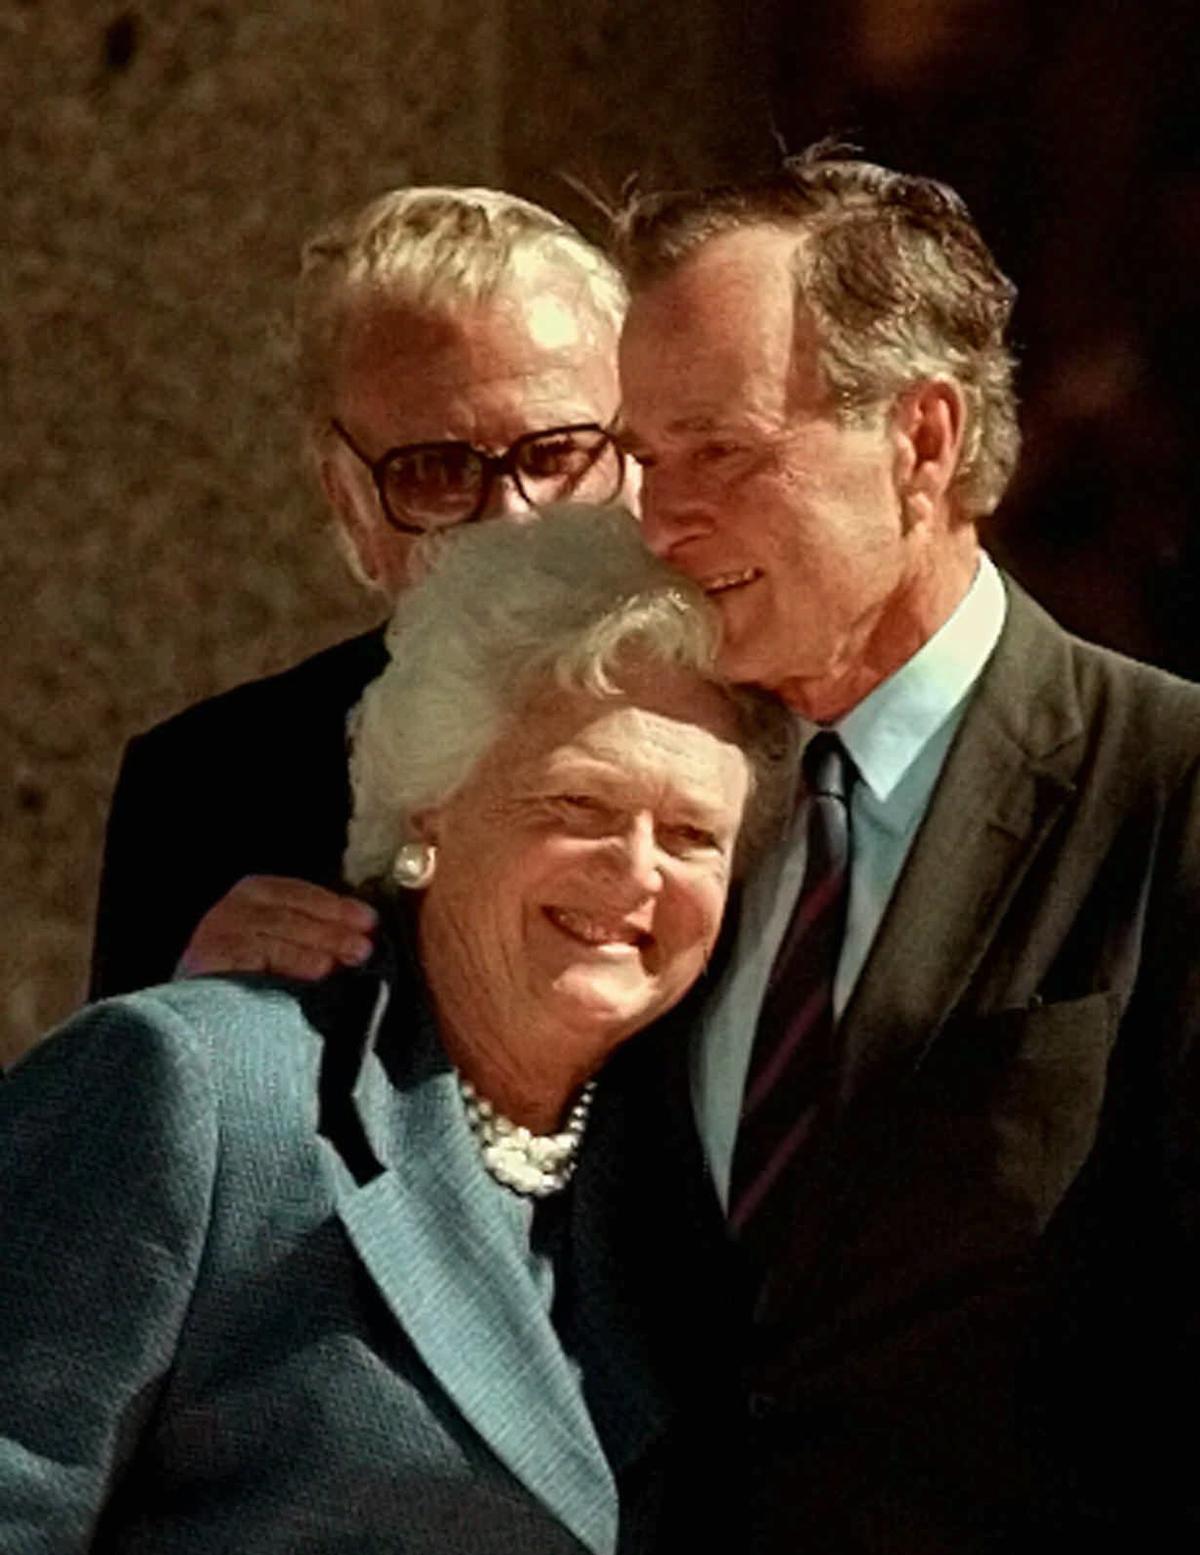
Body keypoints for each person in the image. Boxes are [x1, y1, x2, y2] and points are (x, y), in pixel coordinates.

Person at [612, 147, 1200, 1548]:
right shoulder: (649, 777)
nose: (659, 517)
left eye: (724, 452)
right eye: (644, 458)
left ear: (923, 442)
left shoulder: (1170, 787)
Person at [0, 507, 785, 1553]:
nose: (638, 870)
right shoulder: (197, 1089)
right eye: (580, 805)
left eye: (692, 834)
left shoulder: (689, 1176)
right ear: (431, 808)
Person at [90, 186, 628, 998]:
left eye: (557, 455)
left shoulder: (774, 737)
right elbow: (97, 1117)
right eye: (438, 473)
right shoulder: (208, 789)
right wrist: (186, 1007)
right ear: (348, 504)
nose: (514, 519)